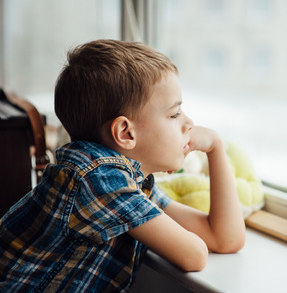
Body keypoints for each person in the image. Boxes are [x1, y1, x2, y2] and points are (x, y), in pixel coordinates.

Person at [0, 39, 246, 292]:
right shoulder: (98, 180)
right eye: (174, 115)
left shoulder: (128, 180)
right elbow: (194, 255)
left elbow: (225, 239)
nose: (189, 123)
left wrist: (216, 148)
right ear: (126, 133)